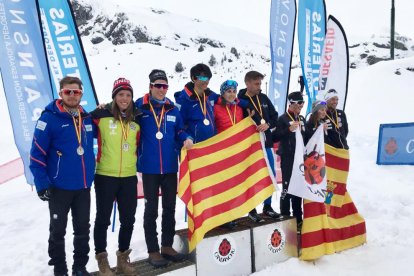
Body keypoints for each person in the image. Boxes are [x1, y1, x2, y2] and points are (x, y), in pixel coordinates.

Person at [30, 76, 95, 276]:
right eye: (68, 92)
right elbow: (37, 154)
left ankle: (80, 267)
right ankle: (60, 268)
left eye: (76, 92)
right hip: (59, 187)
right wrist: (41, 184)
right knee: (58, 231)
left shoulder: (87, 117)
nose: (72, 95)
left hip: (83, 185)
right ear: (61, 93)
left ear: (81, 94)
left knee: (82, 230)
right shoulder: (48, 119)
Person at [136, 69, 193, 268]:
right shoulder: (139, 107)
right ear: (150, 86)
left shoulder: (172, 108)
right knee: (151, 210)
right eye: (157, 86)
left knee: (169, 208)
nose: (161, 90)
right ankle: (153, 250)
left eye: (164, 86)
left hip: (169, 167)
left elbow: (179, 130)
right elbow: (121, 114)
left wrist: (186, 137)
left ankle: (167, 246)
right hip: (149, 168)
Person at [91, 78, 141, 276]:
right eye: (121, 94)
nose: (125, 98)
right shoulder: (100, 115)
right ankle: (102, 261)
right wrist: (97, 109)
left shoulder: (138, 117)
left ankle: (122, 259)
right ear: (114, 96)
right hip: (105, 175)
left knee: (128, 219)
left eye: (128, 95)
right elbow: (79, 119)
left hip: (129, 176)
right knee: (102, 219)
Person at [238, 71, 280, 222]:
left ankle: (267, 207)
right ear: (247, 83)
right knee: (251, 178)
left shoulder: (263, 98)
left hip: (266, 144)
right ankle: (252, 209)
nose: (259, 86)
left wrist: (268, 125)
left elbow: (275, 116)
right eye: (256, 84)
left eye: (260, 83)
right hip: (249, 148)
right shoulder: (239, 100)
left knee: (270, 175)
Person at [213, 80, 245, 229]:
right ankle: (221, 216)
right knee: (223, 186)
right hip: (221, 152)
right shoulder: (215, 108)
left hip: (236, 152)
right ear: (223, 93)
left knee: (234, 184)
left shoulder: (239, 109)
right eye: (228, 91)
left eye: (234, 91)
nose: (232, 94)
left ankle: (233, 214)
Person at [273, 91, 307, 231]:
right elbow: (274, 137)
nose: (300, 106)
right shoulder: (282, 119)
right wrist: (288, 129)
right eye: (298, 103)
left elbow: (307, 136)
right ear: (291, 103)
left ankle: (298, 219)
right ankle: (286, 219)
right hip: (288, 158)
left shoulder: (302, 118)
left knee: (298, 189)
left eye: (302, 103)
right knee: (287, 190)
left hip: (300, 159)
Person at [174, 63, 219, 143]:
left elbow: (227, 99)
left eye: (208, 78)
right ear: (194, 78)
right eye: (203, 78)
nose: (206, 81)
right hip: (195, 148)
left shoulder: (210, 95)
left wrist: (245, 104)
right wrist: (186, 139)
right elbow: (178, 127)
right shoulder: (184, 100)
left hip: (211, 146)